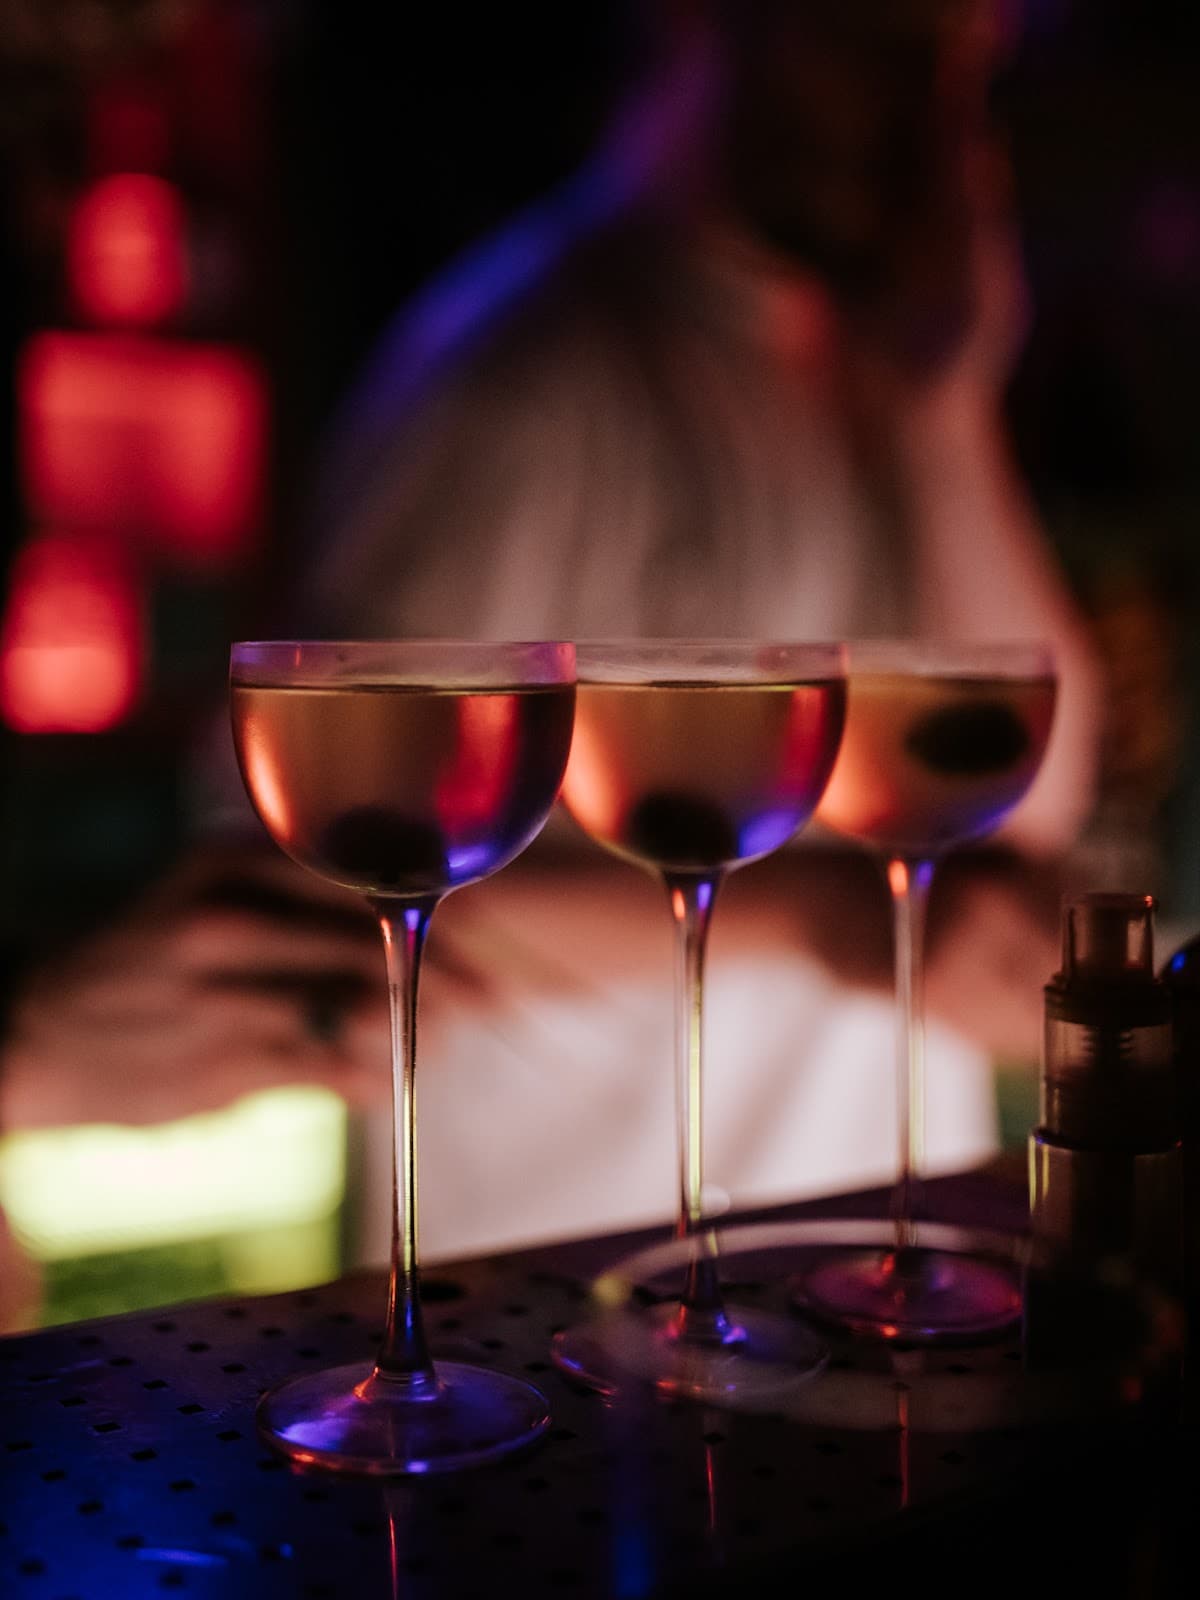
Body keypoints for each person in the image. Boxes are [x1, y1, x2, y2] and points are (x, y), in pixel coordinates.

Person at [0, 0, 1101, 1300]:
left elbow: (1037, 785)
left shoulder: (880, 372)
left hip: (843, 1298)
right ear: (698, 26)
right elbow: (329, 869)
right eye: (869, 38)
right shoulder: (516, 385)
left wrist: (947, 406)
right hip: (552, 1305)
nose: (929, 115)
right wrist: (826, 920)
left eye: (968, 69)